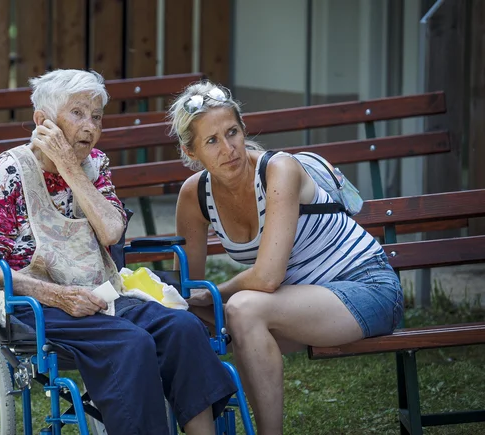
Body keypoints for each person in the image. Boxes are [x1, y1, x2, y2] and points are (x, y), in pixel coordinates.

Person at [0, 69, 237, 435]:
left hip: (99, 294)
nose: (90, 126)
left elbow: (111, 233)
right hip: (35, 305)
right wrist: (58, 295)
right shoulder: (8, 170)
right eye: (78, 113)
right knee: (132, 343)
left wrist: (69, 168)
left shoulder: (94, 165)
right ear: (42, 121)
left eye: (96, 116)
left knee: (183, 327)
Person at [168, 81, 404, 434]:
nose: (229, 148)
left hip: (368, 288)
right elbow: (186, 290)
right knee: (188, 318)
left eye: (232, 132)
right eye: (212, 141)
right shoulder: (194, 195)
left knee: (242, 308)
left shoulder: (279, 170)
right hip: (304, 304)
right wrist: (182, 303)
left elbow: (266, 279)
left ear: (244, 129)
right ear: (192, 152)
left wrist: (215, 293)